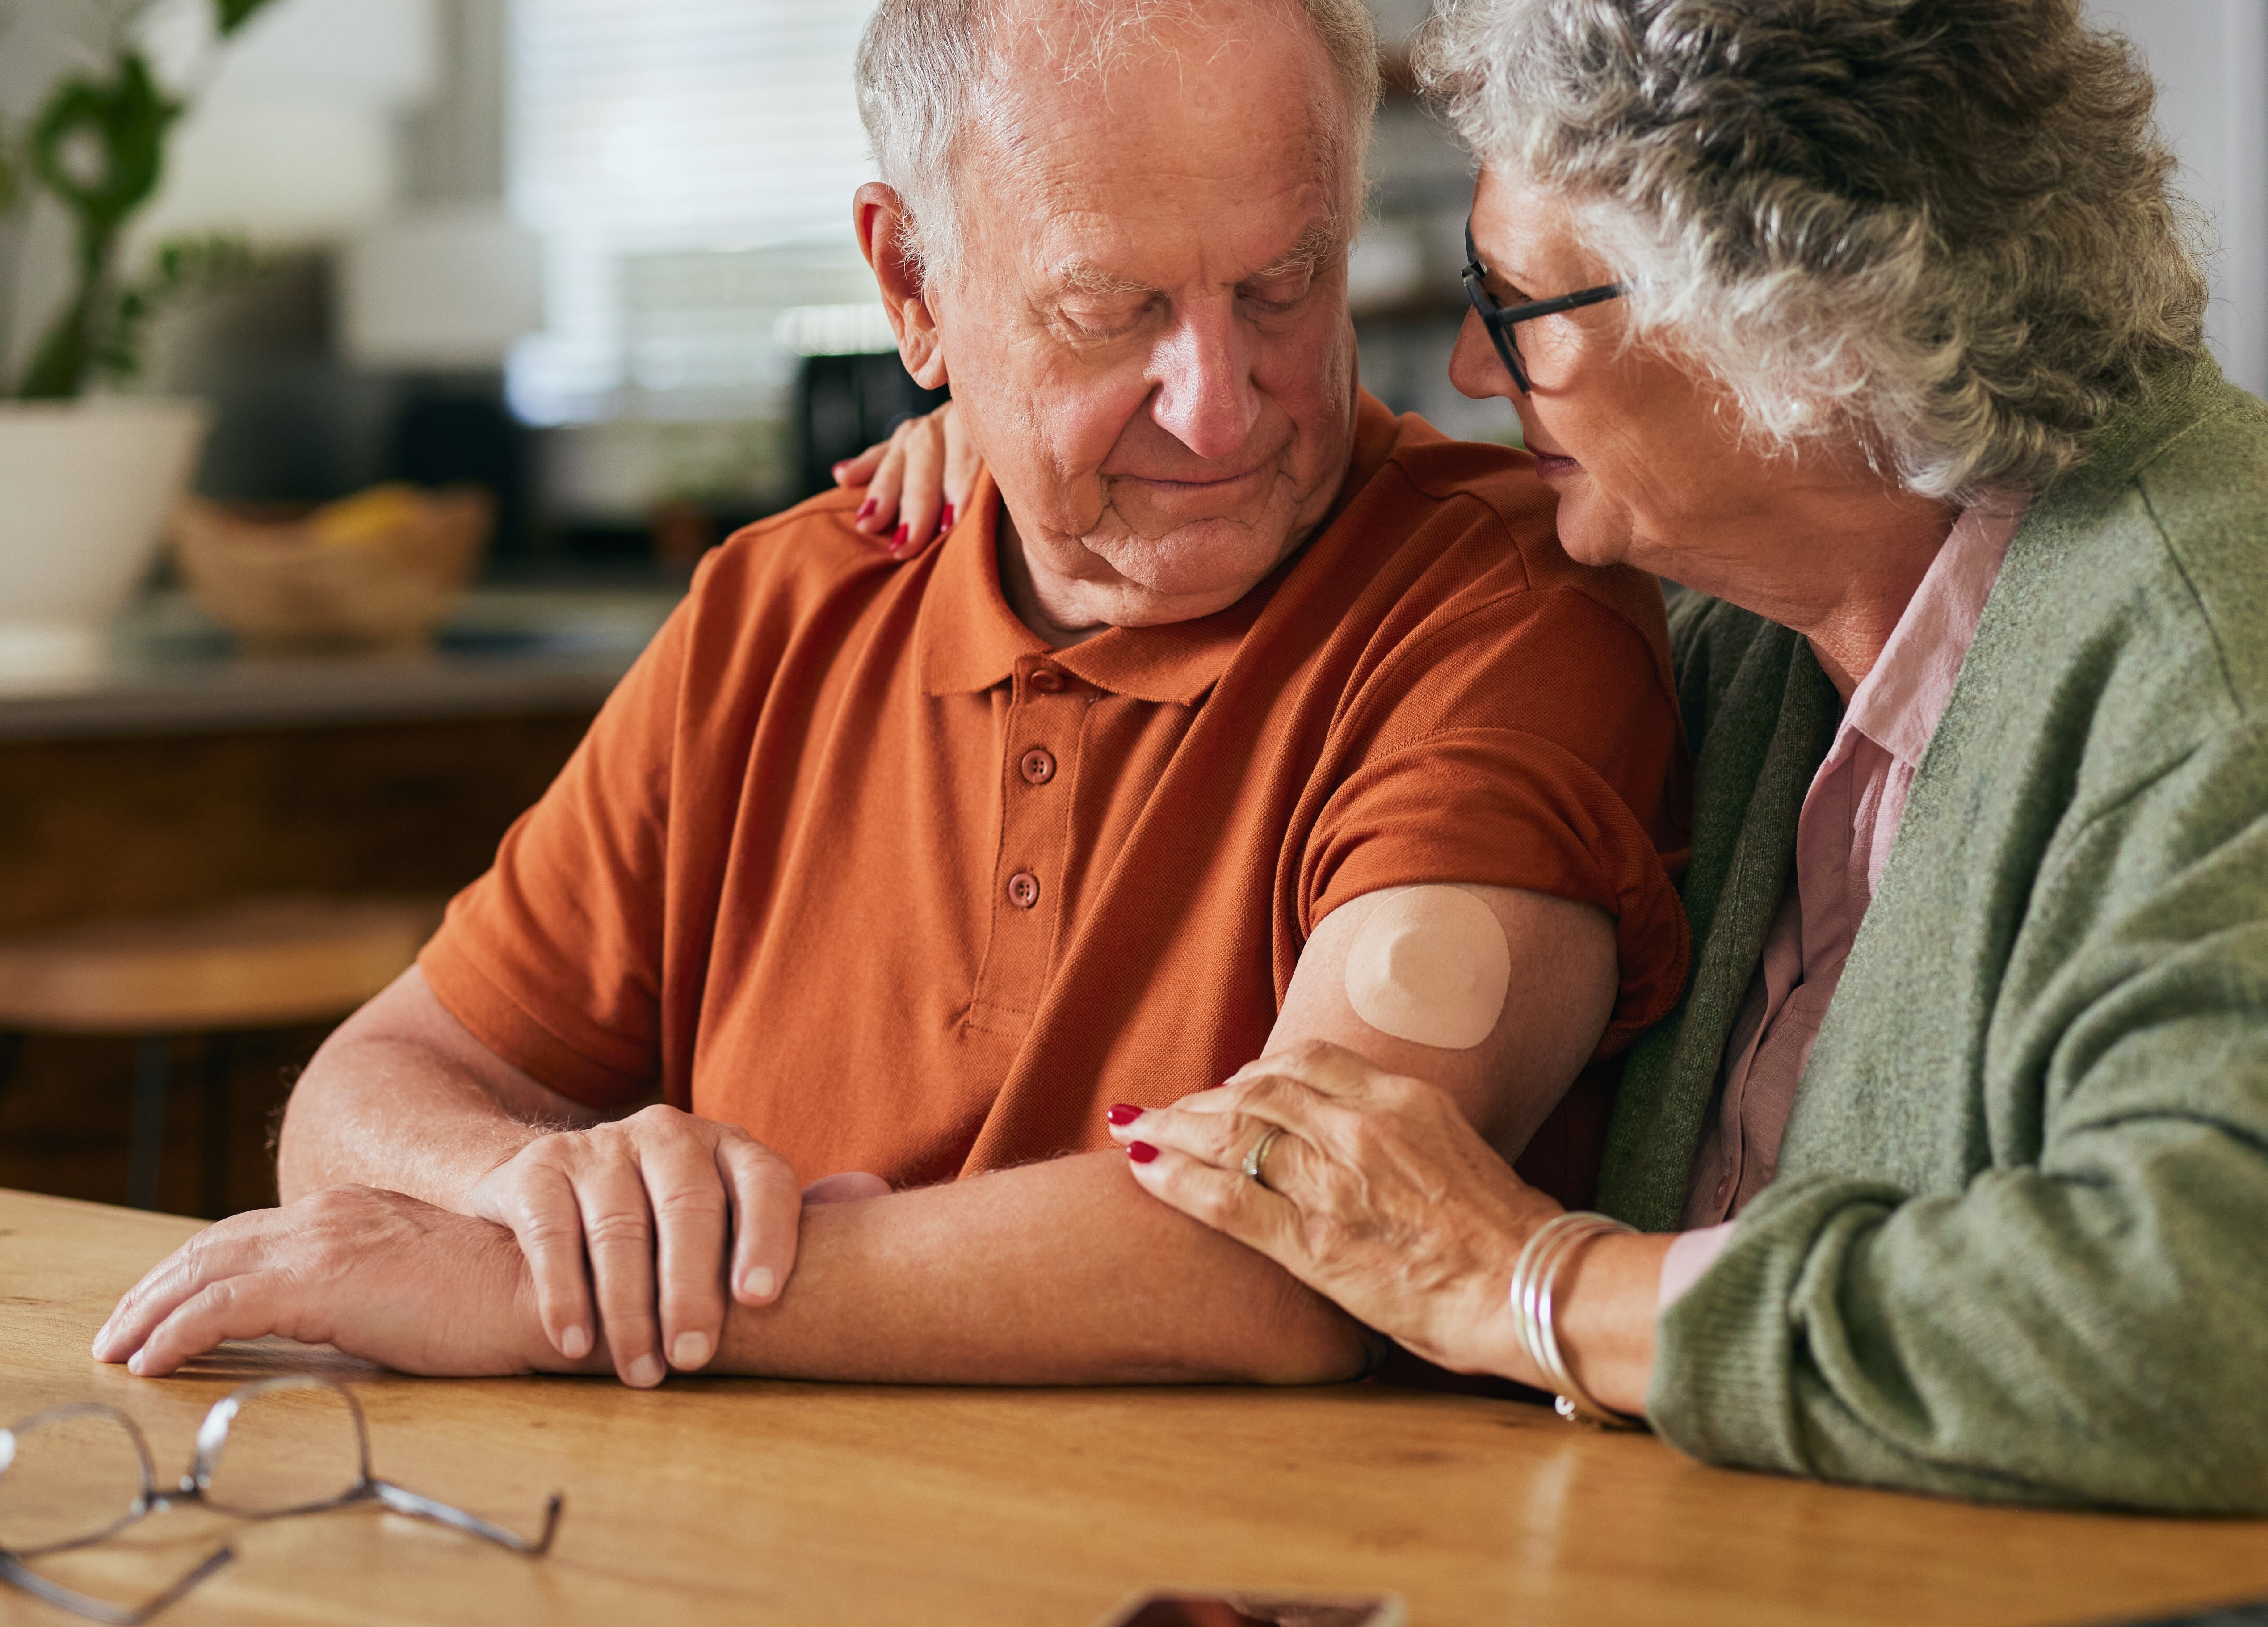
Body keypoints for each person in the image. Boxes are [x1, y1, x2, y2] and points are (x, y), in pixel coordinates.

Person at [962, 0, 2268, 1574]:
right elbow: (1314, 545)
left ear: (1790, 329)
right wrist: (978, 450)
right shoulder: (1746, 635)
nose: (1469, 364)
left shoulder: (2259, 648)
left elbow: (2212, 1353)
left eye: (1516, 301)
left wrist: (1547, 1285)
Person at [90, 0, 1690, 1392]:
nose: (1220, 407)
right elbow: (368, 1100)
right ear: (910, 285)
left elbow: (1312, 1246)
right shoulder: (781, 608)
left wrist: (567, 1296)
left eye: (1283, 285)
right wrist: (553, 1196)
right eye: (1112, 308)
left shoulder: (1509, 602)